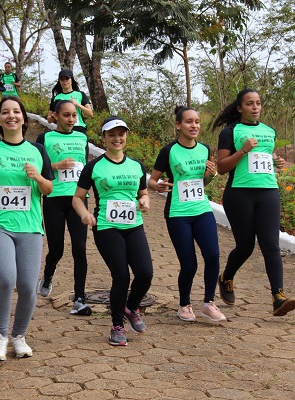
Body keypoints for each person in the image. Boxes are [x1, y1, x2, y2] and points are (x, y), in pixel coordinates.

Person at [0, 96, 54, 361]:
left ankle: (19, 336)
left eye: (16, 112)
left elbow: (49, 189)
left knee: (28, 285)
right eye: (6, 112)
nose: (12, 116)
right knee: (7, 277)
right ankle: (0, 337)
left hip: (30, 226)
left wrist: (38, 177)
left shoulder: (37, 151)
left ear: (24, 117)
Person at [73, 116, 153, 346]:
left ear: (126, 136)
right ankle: (117, 325)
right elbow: (77, 198)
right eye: (111, 134)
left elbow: (143, 193)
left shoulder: (137, 165)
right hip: (106, 226)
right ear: (104, 138)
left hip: (133, 224)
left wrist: (145, 201)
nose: (117, 138)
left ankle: (131, 306)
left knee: (146, 273)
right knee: (121, 275)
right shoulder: (94, 166)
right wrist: (85, 214)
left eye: (121, 134)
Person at [214, 89, 295, 316]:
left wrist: (275, 160)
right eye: (250, 104)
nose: (255, 107)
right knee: (246, 246)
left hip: (268, 192)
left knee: (271, 244)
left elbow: (264, 157)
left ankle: (278, 296)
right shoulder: (230, 132)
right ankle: (226, 277)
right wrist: (243, 150)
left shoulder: (269, 131)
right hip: (240, 193)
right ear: (240, 108)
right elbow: (221, 168)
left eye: (258, 103)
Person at [148, 107, 226, 322]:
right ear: (178, 125)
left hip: (201, 210)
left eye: (197, 122)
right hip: (178, 214)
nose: (194, 126)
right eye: (189, 122)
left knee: (212, 255)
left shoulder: (204, 149)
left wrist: (209, 176)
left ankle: (209, 303)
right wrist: (158, 186)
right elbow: (152, 180)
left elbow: (202, 183)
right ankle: (184, 305)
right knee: (189, 264)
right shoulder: (169, 151)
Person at [36, 100, 91, 315]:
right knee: (56, 249)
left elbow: (85, 169)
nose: (71, 120)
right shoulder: (45, 138)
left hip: (77, 199)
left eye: (74, 116)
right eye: (66, 115)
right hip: (54, 198)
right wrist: (56, 166)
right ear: (56, 116)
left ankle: (80, 297)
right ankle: (48, 274)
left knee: (80, 248)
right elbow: (37, 167)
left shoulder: (82, 137)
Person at [47, 70, 93, 134]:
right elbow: (49, 120)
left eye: (67, 79)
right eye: (62, 79)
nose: (65, 81)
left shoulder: (80, 94)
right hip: (62, 129)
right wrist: (53, 115)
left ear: (71, 80)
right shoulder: (56, 98)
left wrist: (77, 104)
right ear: (59, 82)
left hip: (79, 129)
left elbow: (90, 113)